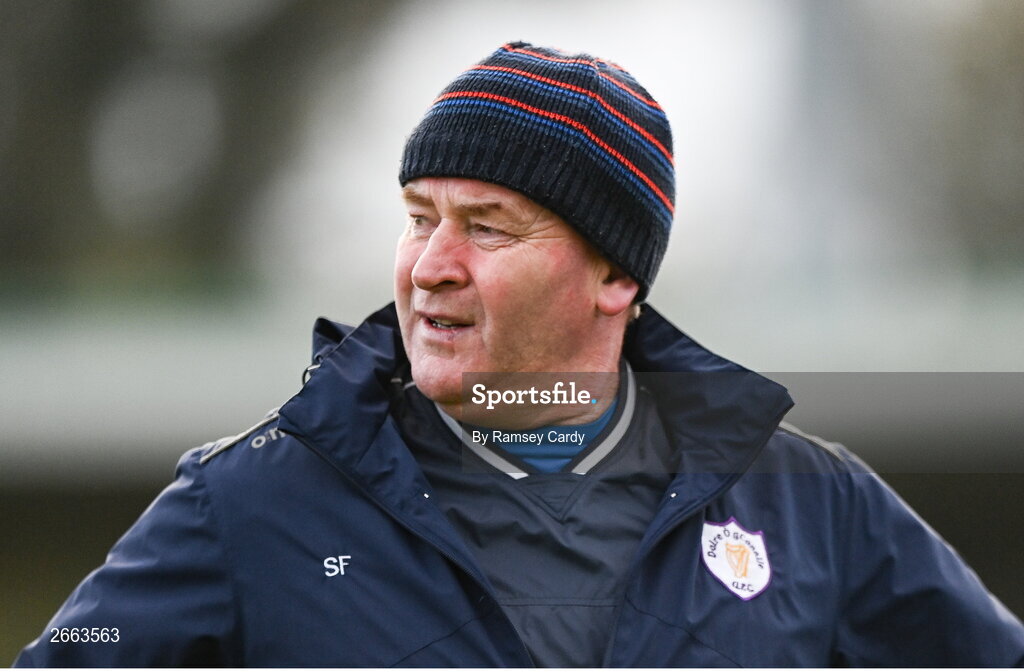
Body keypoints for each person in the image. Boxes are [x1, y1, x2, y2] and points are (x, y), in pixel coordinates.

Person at [15, 41, 1024, 668]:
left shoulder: (809, 506)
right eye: (419, 219)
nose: (429, 267)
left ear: (613, 277)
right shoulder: (246, 503)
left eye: (487, 229)